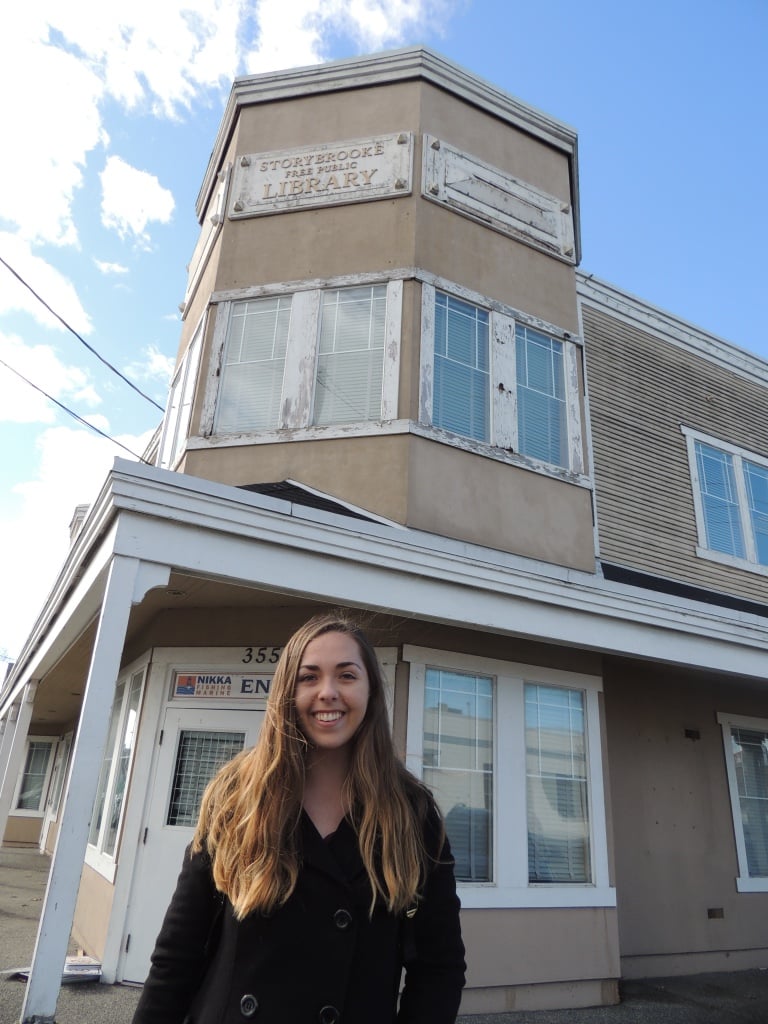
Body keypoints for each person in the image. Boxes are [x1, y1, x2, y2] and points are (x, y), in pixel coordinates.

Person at [132, 612, 466, 1024]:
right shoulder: (237, 798)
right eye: (309, 678)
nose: (327, 692)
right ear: (286, 693)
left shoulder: (411, 814)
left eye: (346, 675)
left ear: (370, 691)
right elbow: (176, 956)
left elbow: (439, 968)